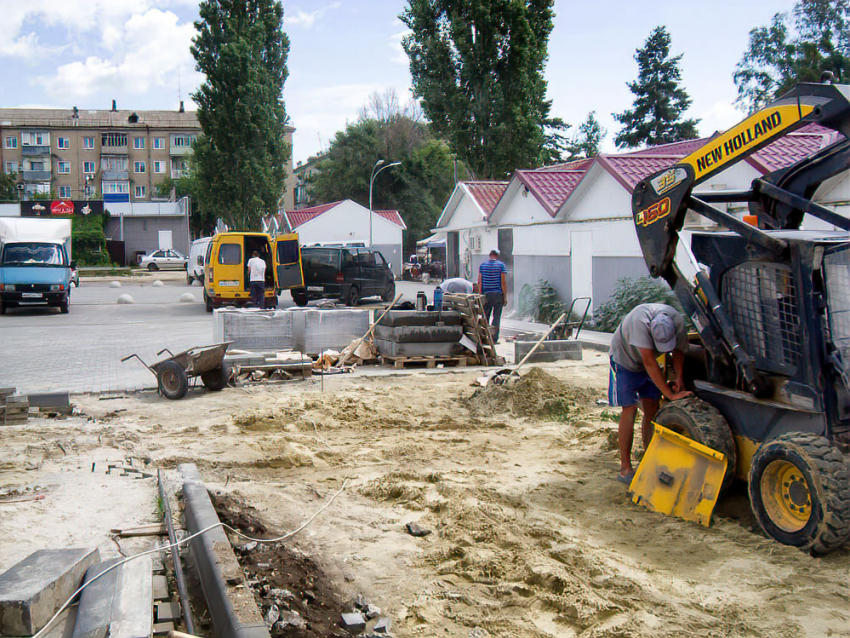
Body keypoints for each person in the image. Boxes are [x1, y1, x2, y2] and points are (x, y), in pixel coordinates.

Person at [608, 303, 692, 483]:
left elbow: (679, 351)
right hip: (625, 361)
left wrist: (678, 377)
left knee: (652, 408)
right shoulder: (640, 323)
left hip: (649, 362)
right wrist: (670, 394)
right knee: (629, 410)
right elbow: (649, 362)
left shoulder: (676, 320)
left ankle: (649, 457)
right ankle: (625, 468)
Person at [478, 249, 508, 342]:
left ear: (489, 255)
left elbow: (480, 282)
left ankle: (484, 336)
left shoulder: (482, 265)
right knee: (496, 317)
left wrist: (480, 295)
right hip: (497, 295)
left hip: (486, 294)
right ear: (497, 256)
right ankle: (494, 338)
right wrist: (505, 296)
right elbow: (503, 282)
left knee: (485, 316)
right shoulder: (501, 265)